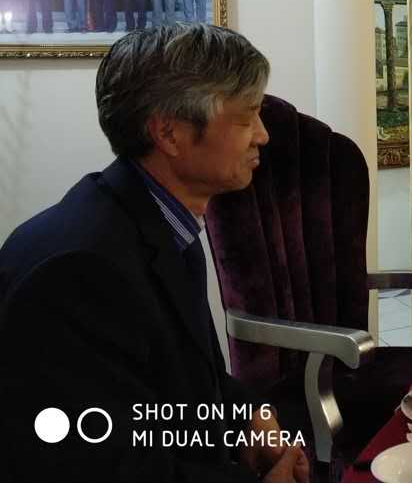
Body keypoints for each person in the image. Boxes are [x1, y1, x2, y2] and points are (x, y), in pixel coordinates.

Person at [0, 24, 309, 481]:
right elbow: (105, 465)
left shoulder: (154, 220)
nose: (262, 135)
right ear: (169, 133)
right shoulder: (78, 272)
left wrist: (247, 420)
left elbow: (183, 383)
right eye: (246, 119)